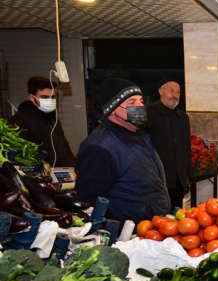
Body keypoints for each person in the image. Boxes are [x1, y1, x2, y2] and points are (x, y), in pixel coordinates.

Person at [75, 78, 170, 225]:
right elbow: (90, 202)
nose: (140, 106)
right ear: (112, 109)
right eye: (131, 103)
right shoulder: (99, 147)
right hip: (125, 237)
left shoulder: (140, 135)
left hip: (150, 232)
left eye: (141, 101)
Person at [144, 76, 191, 209]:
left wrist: (187, 175)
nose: (175, 95)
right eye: (171, 90)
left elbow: (187, 148)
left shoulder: (183, 117)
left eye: (178, 92)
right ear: (160, 91)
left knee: (175, 217)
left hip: (178, 180)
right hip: (155, 179)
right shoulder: (148, 113)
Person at [9, 76, 76, 167]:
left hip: (63, 173)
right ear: (32, 97)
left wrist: (73, 165)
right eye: (44, 97)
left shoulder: (53, 118)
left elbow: (64, 145)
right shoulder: (19, 120)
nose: (50, 101)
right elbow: (18, 156)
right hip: (41, 177)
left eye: (53, 97)